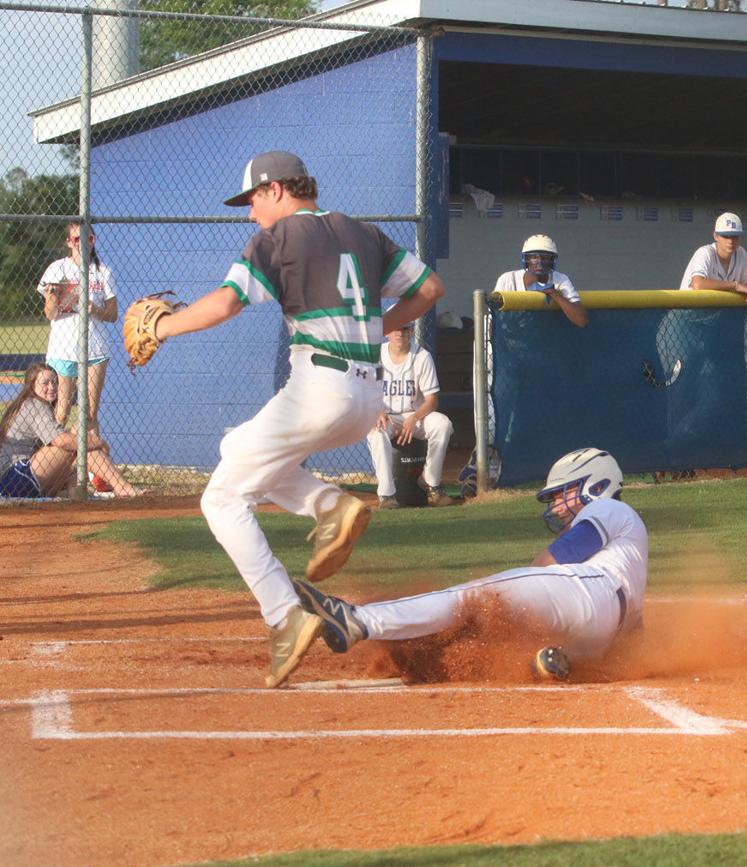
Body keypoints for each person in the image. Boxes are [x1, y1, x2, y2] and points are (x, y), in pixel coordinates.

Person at [149, 151, 444, 689]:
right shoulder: (364, 232)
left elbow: (225, 304)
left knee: (220, 498)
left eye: (253, 200)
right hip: (365, 395)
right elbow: (430, 291)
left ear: (278, 190)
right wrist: (376, 328)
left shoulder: (278, 239)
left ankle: (284, 615)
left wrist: (164, 326)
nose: (250, 213)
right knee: (237, 449)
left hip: (317, 386)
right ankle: (329, 504)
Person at [290, 447, 645, 683]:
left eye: (562, 493)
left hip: (584, 589)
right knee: (503, 628)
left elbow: (552, 561)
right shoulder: (632, 551)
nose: (554, 506)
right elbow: (634, 635)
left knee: (473, 600)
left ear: (596, 485)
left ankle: (357, 620)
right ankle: (540, 662)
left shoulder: (610, 508)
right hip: (603, 630)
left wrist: (525, 584)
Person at [0, 361, 142, 499]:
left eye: (55, 382)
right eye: (45, 383)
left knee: (75, 472)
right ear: (31, 386)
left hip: (20, 480)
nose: (52, 387)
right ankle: (121, 486)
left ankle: (76, 502)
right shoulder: (35, 404)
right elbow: (61, 441)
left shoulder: (35, 404)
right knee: (78, 439)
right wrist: (98, 442)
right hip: (15, 477)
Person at [36, 223, 118, 430]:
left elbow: (113, 314)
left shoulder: (102, 271)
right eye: (76, 239)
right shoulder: (57, 268)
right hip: (63, 349)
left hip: (94, 348)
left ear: (93, 240)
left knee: (90, 412)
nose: (82, 243)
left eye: (88, 238)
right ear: (68, 242)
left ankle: (90, 461)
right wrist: (54, 295)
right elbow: (50, 314)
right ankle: (54, 459)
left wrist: (94, 310)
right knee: (61, 411)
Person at [366, 321, 455, 509]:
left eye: (405, 328)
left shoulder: (421, 356)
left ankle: (431, 484)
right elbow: (365, 391)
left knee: (442, 424)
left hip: (416, 416)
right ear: (387, 332)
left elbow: (432, 400)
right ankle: (386, 495)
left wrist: (414, 417)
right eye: (396, 327)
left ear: (412, 331)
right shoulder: (376, 356)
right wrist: (376, 410)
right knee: (376, 432)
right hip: (387, 417)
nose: (400, 332)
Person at [493, 235, 587, 327]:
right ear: (526, 260)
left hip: (543, 335)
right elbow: (493, 319)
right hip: (512, 338)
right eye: (534, 257)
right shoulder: (508, 279)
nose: (539, 262)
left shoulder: (561, 279)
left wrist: (554, 293)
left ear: (552, 259)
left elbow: (581, 321)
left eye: (545, 257)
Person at [679, 212, 747, 300]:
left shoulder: (740, 254)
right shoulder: (705, 252)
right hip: (687, 312)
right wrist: (735, 285)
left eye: (735, 236)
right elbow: (698, 285)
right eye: (726, 236)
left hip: (713, 312)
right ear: (715, 236)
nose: (730, 241)